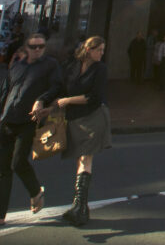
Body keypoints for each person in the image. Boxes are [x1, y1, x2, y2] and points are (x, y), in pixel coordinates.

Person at [0, 33, 63, 233]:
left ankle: (35, 192)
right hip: (8, 121)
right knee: (3, 170)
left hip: (28, 121)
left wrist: (42, 99)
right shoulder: (17, 67)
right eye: (34, 46)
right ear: (26, 49)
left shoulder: (50, 65)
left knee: (18, 162)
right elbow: (2, 95)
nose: (38, 49)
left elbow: (57, 86)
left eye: (41, 46)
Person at [52, 36, 111, 227]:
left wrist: (68, 101)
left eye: (103, 50)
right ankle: (79, 206)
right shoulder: (73, 66)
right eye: (98, 50)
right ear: (88, 49)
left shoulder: (100, 69)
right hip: (74, 118)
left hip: (93, 117)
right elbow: (61, 88)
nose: (101, 53)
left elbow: (95, 97)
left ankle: (81, 208)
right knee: (80, 160)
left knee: (86, 159)